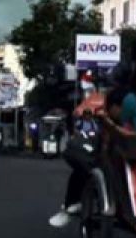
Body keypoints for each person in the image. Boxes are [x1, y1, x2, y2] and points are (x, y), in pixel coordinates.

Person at [48, 87, 126, 228]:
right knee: (84, 166)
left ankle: (70, 204)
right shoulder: (100, 122)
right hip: (103, 159)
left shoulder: (112, 120)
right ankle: (70, 204)